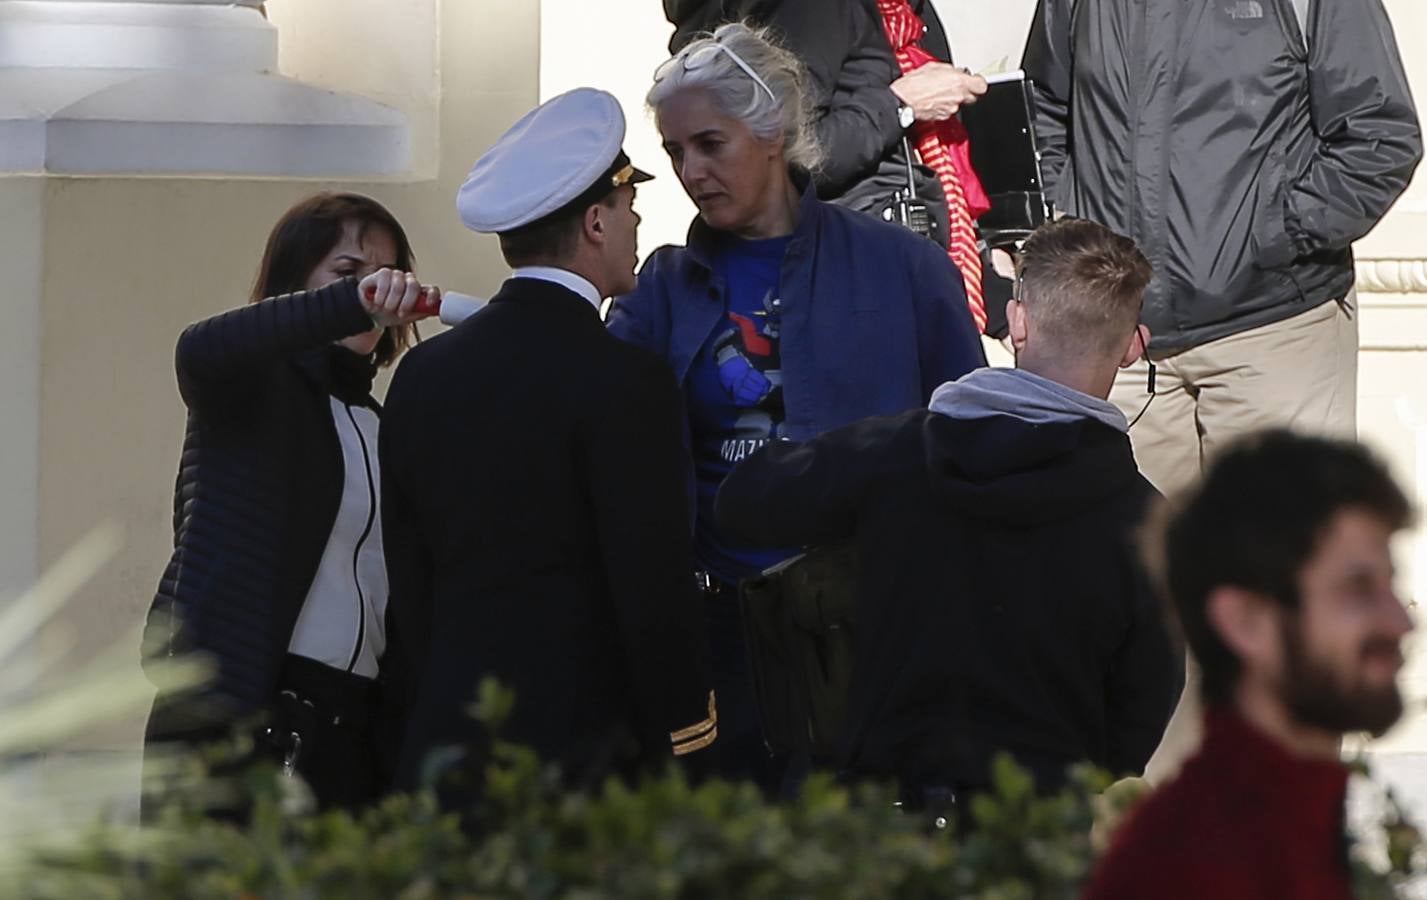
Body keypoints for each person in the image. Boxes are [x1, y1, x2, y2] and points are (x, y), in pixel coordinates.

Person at [609, 22, 985, 788]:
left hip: (872, 626)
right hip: (720, 635)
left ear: (772, 131)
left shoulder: (901, 268)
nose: (689, 170)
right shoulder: (664, 286)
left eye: (709, 144)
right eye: (675, 151)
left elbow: (971, 448)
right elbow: (598, 415)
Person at [715, 218, 1183, 805]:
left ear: (1016, 324)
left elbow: (743, 503)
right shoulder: (1149, 526)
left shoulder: (893, 454)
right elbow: (1136, 722)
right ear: (1134, 346)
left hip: (884, 819)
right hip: (1035, 831)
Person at [380, 88, 717, 800]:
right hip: (583, 764)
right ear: (595, 223)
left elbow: (410, 581)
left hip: (450, 752)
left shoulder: (423, 372)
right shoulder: (626, 379)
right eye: (628, 206)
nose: (637, 220)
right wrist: (688, 735)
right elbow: (650, 586)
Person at [1022, 0, 1421, 499]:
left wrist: (1275, 236)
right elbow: (1040, 110)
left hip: (1272, 327)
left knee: (1277, 561)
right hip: (1122, 341)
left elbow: (1380, 137)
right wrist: (1082, 241)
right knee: (1132, 565)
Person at [140, 192, 439, 812]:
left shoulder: (385, 425)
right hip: (242, 714)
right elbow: (199, 348)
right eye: (349, 271)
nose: (375, 289)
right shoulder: (251, 387)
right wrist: (343, 305)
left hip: (349, 727)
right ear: (296, 281)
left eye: (388, 274)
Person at [1084, 430, 1415, 899]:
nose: (1400, 621)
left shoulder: (1290, 818)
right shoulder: (1200, 857)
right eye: (1358, 589)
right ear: (1246, 622)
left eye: (1390, 583)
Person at [664, 1, 1010, 334]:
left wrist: (985, 269)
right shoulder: (814, 9)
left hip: (900, 261)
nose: (691, 171)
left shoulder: (902, 13)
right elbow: (797, 151)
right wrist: (900, 105)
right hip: (856, 276)